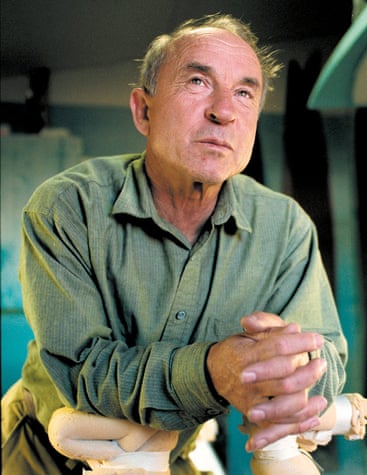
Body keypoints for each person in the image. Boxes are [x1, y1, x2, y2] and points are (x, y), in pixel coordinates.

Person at [1, 13, 348, 475]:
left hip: (172, 456)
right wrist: (211, 371)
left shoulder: (285, 227)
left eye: (245, 93)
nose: (224, 111)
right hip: (46, 453)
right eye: (199, 82)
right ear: (144, 111)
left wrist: (296, 363)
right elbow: (84, 374)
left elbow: (327, 355)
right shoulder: (67, 208)